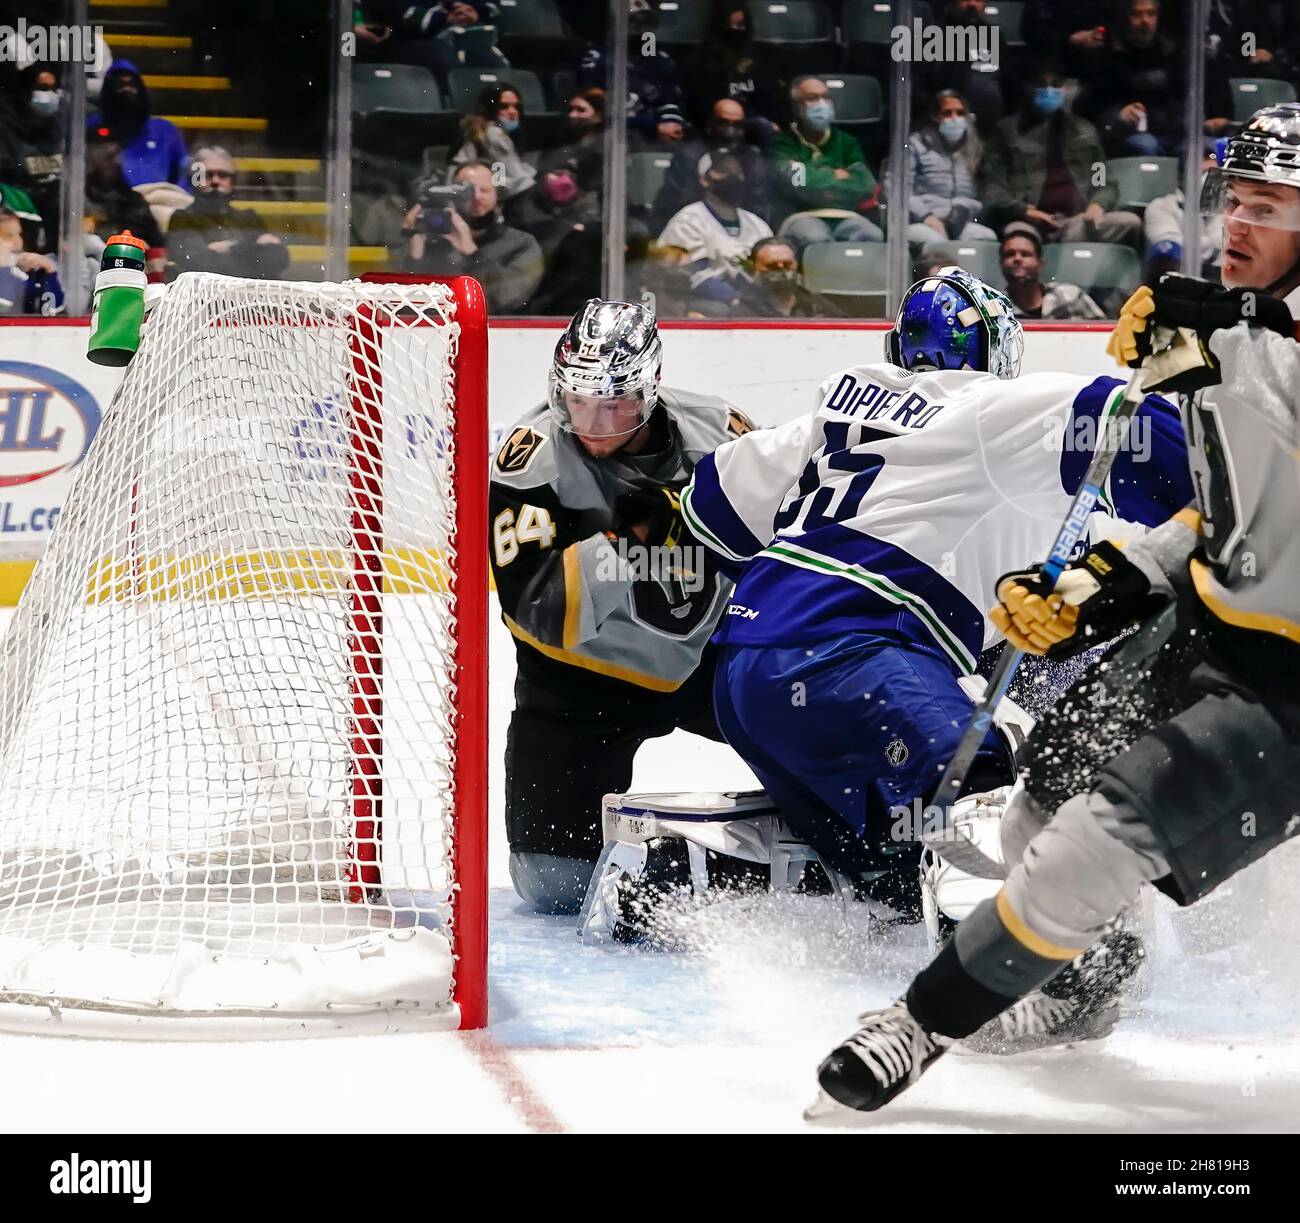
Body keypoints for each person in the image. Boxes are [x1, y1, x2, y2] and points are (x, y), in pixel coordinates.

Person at [812, 104, 1300, 1117]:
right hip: (1214, 624)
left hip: (1289, 687)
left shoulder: (1244, 327)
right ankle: (1079, 987)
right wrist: (1098, 585)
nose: (1241, 226)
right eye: (1237, 202)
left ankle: (916, 1025)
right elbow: (1225, 515)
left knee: (1095, 839)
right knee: (1044, 792)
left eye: (1273, 207)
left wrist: (1228, 328)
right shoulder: (1228, 330)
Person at [672, 268, 1192, 919]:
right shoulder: (985, 407)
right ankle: (1019, 979)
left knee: (892, 861)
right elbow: (1123, 418)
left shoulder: (835, 410)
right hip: (852, 651)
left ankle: (724, 875)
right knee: (983, 796)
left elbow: (711, 502)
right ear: (994, 352)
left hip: (744, 674)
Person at [491, 300, 756, 912]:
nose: (594, 421)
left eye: (616, 403)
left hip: (708, 663)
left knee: (829, 739)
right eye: (579, 400)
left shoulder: (723, 436)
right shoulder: (531, 465)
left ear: (651, 390)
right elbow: (542, 613)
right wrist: (634, 535)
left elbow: (790, 546)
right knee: (555, 888)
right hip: (576, 686)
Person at [980, 61, 1141, 247]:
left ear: (1065, 88)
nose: (1049, 90)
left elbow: (1102, 179)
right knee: (1018, 242)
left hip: (1078, 221)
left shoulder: (1084, 130)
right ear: (1028, 87)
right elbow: (992, 185)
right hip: (1028, 223)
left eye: (1055, 85)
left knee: (1130, 223)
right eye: (1041, 85)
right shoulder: (1006, 132)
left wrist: (1097, 205)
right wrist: (1024, 211)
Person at [403, 161, 543, 313]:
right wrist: (414, 253)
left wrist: (472, 253)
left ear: (497, 194)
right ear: (450, 193)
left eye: (484, 190)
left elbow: (507, 298)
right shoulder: (432, 241)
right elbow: (405, 304)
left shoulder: (521, 244)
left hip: (500, 333)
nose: (476, 196)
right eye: (466, 191)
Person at [768, 77, 882, 251]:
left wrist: (811, 175)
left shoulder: (847, 142)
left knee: (872, 236)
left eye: (826, 97)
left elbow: (865, 185)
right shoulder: (783, 143)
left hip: (846, 216)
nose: (822, 103)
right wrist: (836, 175)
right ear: (796, 107)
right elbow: (795, 184)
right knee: (816, 238)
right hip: (800, 216)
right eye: (813, 98)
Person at [656, 148, 773, 309]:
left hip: (752, 303)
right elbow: (688, 276)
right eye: (723, 170)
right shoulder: (688, 221)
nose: (733, 176)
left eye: (737, 170)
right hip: (700, 302)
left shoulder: (757, 224)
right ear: (704, 179)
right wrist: (733, 297)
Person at [1073, 0, 1186, 158]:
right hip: (1123, 135)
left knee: (1205, 147)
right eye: (1136, 14)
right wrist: (1118, 115)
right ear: (1124, 17)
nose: (1145, 21)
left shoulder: (1170, 52)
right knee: (1146, 145)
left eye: (1151, 14)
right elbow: (1086, 107)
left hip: (1170, 133)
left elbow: (1183, 96)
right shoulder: (1105, 55)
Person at [166, 147, 288, 280]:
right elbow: (198, 264)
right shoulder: (182, 218)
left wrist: (228, 247)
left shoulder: (248, 217)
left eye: (223, 175)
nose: (216, 181)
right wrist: (253, 250)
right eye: (207, 175)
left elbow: (277, 259)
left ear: (232, 182)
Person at [653, 98, 771, 228]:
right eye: (723, 124)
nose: (730, 132)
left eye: (737, 125)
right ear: (710, 125)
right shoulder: (688, 156)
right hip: (694, 226)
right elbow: (677, 202)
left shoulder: (752, 158)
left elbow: (758, 205)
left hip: (742, 229)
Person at [906, 90, 998, 250]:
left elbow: (984, 193)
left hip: (961, 221)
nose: (955, 118)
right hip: (922, 220)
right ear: (935, 117)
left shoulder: (974, 147)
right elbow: (899, 191)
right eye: (947, 113)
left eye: (960, 113)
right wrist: (927, 216)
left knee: (986, 237)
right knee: (937, 244)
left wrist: (964, 210)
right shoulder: (915, 144)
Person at [87, 61, 189, 190]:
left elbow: (182, 175)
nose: (127, 90)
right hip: (106, 203)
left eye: (132, 84)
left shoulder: (164, 130)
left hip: (160, 204)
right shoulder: (91, 128)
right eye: (119, 85)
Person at [999, 222, 1105, 319]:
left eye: (1025, 254)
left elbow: (1105, 335)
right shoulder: (995, 308)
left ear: (1040, 263)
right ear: (1001, 263)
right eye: (1009, 254)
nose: (1017, 258)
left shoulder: (1071, 296)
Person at [450, 84, 536, 204]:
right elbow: (509, 182)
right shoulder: (493, 134)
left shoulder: (485, 130)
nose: (512, 112)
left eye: (516, 106)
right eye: (503, 106)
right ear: (490, 108)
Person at [733, 237, 842, 318]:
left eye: (787, 265)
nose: (782, 272)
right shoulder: (742, 314)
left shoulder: (818, 306)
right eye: (773, 266)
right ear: (754, 270)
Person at [0, 208, 63, 315]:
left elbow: (51, 310)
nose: (18, 241)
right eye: (9, 236)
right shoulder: (7, 272)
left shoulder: (28, 273)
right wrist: (4, 267)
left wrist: (49, 270)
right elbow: (3, 308)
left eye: (19, 234)